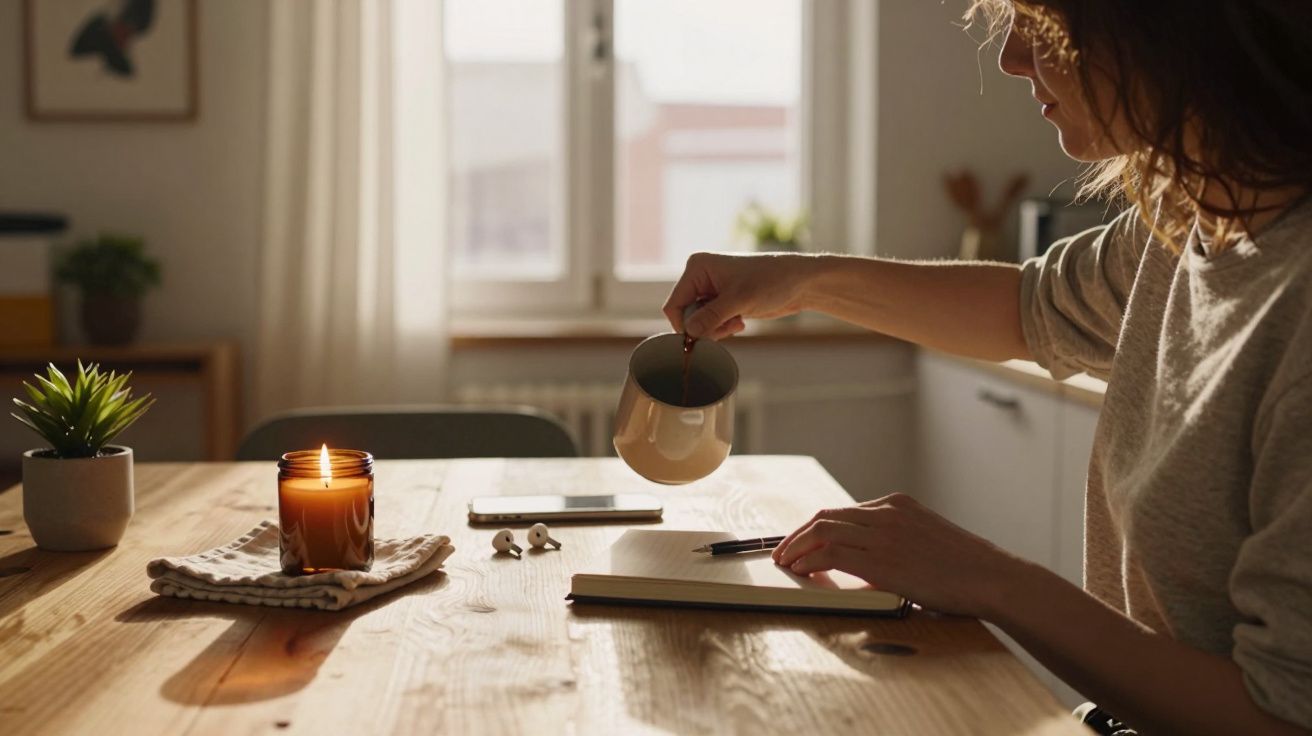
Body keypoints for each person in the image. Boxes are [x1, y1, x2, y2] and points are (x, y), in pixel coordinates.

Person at [662, 2, 1312, 733]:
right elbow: (1028, 307)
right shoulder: (1190, 217)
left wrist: (986, 579)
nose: (1010, 58)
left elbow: (1281, 719)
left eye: (1041, 22)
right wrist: (800, 280)